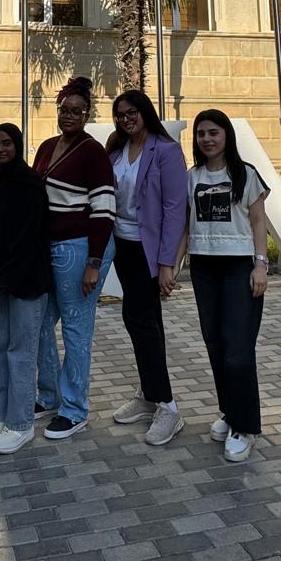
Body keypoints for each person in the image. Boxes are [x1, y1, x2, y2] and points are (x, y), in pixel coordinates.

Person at [182, 108, 269, 463]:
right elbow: (185, 225)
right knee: (215, 344)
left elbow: (259, 222)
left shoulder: (246, 174)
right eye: (201, 133)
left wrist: (260, 265)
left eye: (213, 132)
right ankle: (229, 411)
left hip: (238, 267)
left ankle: (245, 427)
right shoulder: (192, 177)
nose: (207, 139)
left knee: (238, 350)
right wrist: (172, 266)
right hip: (204, 267)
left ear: (226, 136)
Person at [33, 77, 116, 439]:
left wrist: (94, 263)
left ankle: (74, 408)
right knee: (39, 323)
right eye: (64, 109)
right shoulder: (46, 147)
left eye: (77, 111)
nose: (69, 115)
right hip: (51, 247)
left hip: (81, 247)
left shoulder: (92, 152)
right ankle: (50, 394)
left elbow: (104, 209)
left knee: (76, 328)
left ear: (87, 115)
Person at [106, 90, 187, 445]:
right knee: (148, 321)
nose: (126, 119)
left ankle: (168, 406)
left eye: (132, 112)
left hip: (148, 249)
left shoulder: (165, 150)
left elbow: (175, 209)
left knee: (138, 320)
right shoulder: (116, 150)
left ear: (145, 112)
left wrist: (167, 263)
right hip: (121, 245)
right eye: (120, 114)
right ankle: (149, 395)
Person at [0, 124, 51, 455]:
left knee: (21, 353)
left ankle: (21, 423)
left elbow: (31, 236)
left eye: (7, 143)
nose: (1, 149)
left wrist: (4, 274)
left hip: (27, 281)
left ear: (18, 144)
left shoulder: (31, 183)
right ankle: (1, 416)